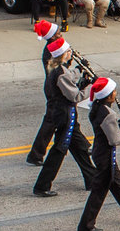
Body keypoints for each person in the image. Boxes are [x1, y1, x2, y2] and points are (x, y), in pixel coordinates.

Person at [34, 36, 94, 199]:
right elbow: (75, 96)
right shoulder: (61, 73)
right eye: (68, 51)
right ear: (63, 54)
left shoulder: (57, 68)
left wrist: (80, 73)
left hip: (64, 114)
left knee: (79, 148)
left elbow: (70, 77)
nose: (71, 53)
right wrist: (89, 87)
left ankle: (92, 178)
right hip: (65, 115)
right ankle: (42, 185)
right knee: (59, 150)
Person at [78, 79, 120, 231]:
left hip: (100, 153)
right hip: (106, 156)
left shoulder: (97, 109)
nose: (116, 94)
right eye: (114, 92)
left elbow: (104, 129)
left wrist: (118, 125)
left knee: (113, 187)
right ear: (108, 95)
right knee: (110, 189)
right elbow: (115, 139)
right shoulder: (108, 113)